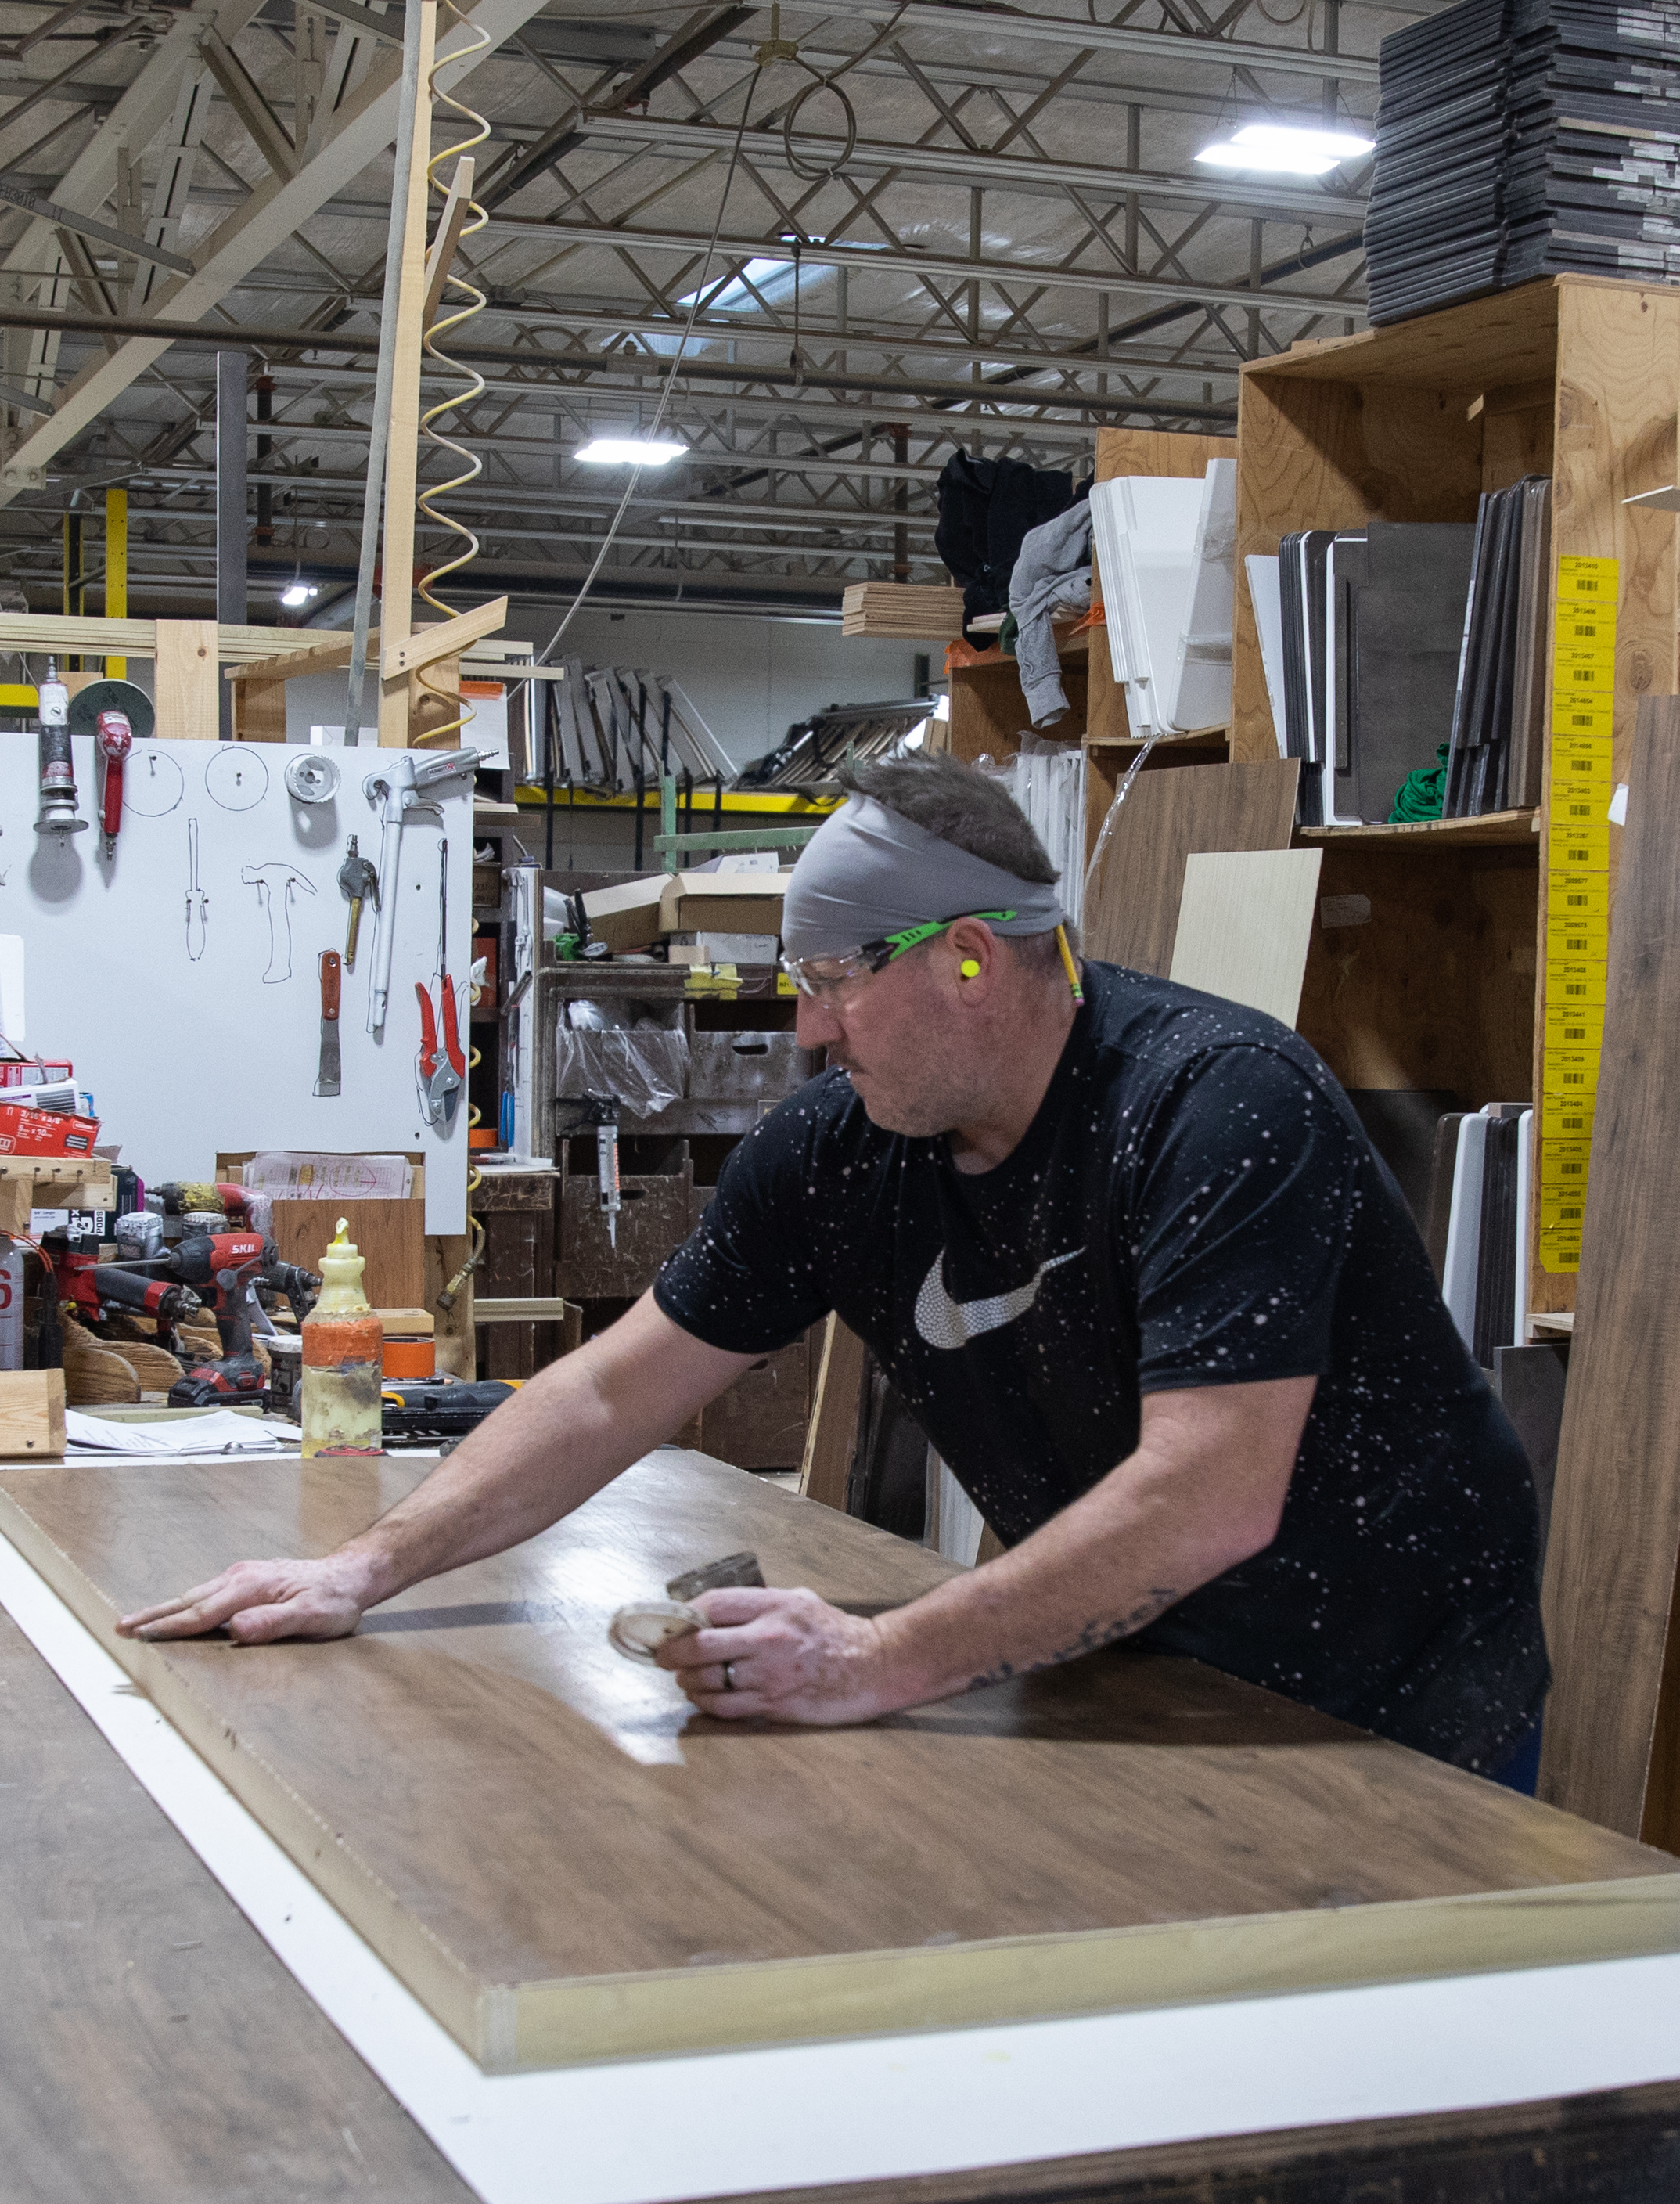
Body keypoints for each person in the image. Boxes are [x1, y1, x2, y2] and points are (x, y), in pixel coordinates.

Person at [127, 751, 1554, 1781]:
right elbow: (615, 1392)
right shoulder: (842, 1151)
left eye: (831, 980)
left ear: (975, 960)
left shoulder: (1217, 1104)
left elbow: (1206, 1493)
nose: (808, 1032)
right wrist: (364, 1567)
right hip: (1131, 1679)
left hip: (1393, 1697)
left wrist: (876, 1660)